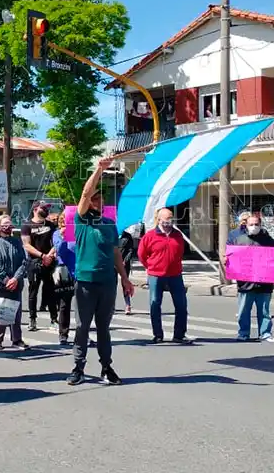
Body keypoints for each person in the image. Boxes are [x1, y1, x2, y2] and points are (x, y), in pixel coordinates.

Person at [67, 159, 134, 386]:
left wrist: (125, 279)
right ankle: (78, 367)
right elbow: (85, 193)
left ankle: (106, 367)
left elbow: (116, 253)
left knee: (103, 328)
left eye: (100, 198)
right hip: (86, 281)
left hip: (107, 282)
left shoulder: (109, 224)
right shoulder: (81, 220)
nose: (98, 200)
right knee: (82, 327)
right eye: (95, 198)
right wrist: (99, 169)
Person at [227, 215, 274, 342]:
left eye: (256, 224)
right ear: (246, 225)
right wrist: (228, 261)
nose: (254, 227)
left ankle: (265, 333)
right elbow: (229, 259)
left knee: (264, 311)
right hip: (245, 283)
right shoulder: (238, 241)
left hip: (264, 283)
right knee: (243, 311)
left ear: (261, 225)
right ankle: (243, 333)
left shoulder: (269, 241)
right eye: (251, 224)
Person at [138, 208, 192, 345]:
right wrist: (151, 267)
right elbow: (142, 255)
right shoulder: (149, 236)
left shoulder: (177, 235)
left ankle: (179, 335)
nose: (168, 222)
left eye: (171, 219)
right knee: (155, 304)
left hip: (175, 275)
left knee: (181, 305)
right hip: (156, 275)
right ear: (159, 220)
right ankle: (158, 335)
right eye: (166, 220)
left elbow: (180, 252)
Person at [0, 214, 29, 350]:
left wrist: (16, 278)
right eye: (5, 223)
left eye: (10, 223)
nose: (8, 226)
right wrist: (6, 280)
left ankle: (17, 339)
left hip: (16, 284)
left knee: (16, 312)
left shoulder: (16, 242)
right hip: (0, 285)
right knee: (0, 312)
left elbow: (23, 262)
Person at [21, 201, 58, 331]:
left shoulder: (51, 225)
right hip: (34, 262)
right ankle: (32, 319)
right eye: (44, 208)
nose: (46, 210)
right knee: (33, 291)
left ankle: (54, 319)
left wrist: (49, 255)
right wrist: (42, 256)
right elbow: (27, 245)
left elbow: (56, 242)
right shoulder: (27, 225)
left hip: (49, 261)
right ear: (36, 209)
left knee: (51, 291)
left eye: (47, 208)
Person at [52, 211, 76, 345]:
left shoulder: (76, 232)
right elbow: (60, 250)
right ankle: (63, 334)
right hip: (64, 272)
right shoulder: (56, 234)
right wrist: (62, 236)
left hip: (78, 270)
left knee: (82, 306)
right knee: (64, 305)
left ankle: (82, 333)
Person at [118, 227, 136, 315]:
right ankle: (110, 305)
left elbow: (131, 250)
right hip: (112, 263)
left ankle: (127, 305)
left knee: (125, 284)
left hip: (124, 263)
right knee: (111, 285)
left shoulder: (127, 236)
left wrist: (125, 260)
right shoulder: (111, 234)